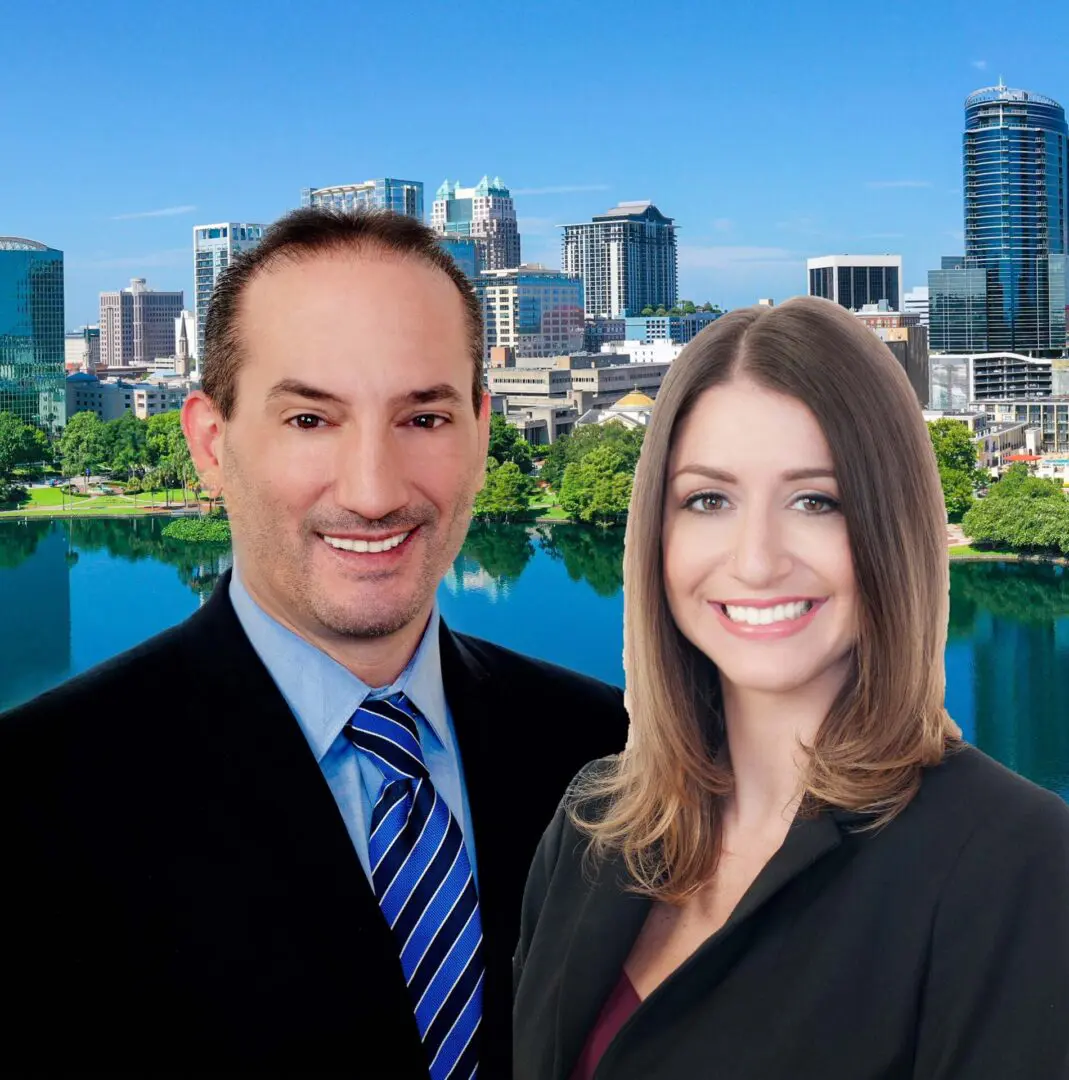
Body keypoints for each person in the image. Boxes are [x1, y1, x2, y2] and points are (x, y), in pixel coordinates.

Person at [0, 209, 627, 1076]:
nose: (372, 492)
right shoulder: (32, 801)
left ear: (481, 434)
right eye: (309, 420)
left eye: (424, 419)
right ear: (211, 445)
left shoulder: (609, 754)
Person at [513, 297, 1069, 1080]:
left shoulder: (1017, 865)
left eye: (816, 500)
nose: (756, 559)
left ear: (889, 526)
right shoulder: (593, 824)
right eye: (708, 499)